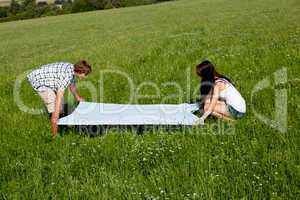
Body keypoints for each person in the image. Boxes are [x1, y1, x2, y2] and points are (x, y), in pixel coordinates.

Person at [27, 60, 92, 137]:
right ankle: (55, 135)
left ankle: (62, 125)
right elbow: (59, 95)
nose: (85, 76)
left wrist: (77, 97)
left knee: (61, 106)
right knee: (54, 106)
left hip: (50, 80)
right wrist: (56, 114)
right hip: (40, 81)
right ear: (80, 72)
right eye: (85, 74)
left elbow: (72, 85)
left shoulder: (73, 70)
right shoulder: (66, 76)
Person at [194, 60, 246, 125]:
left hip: (237, 111)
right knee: (206, 106)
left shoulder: (218, 85)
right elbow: (207, 99)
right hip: (241, 107)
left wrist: (201, 119)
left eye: (200, 75)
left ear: (205, 75)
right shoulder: (219, 78)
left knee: (208, 108)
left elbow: (211, 106)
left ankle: (231, 121)